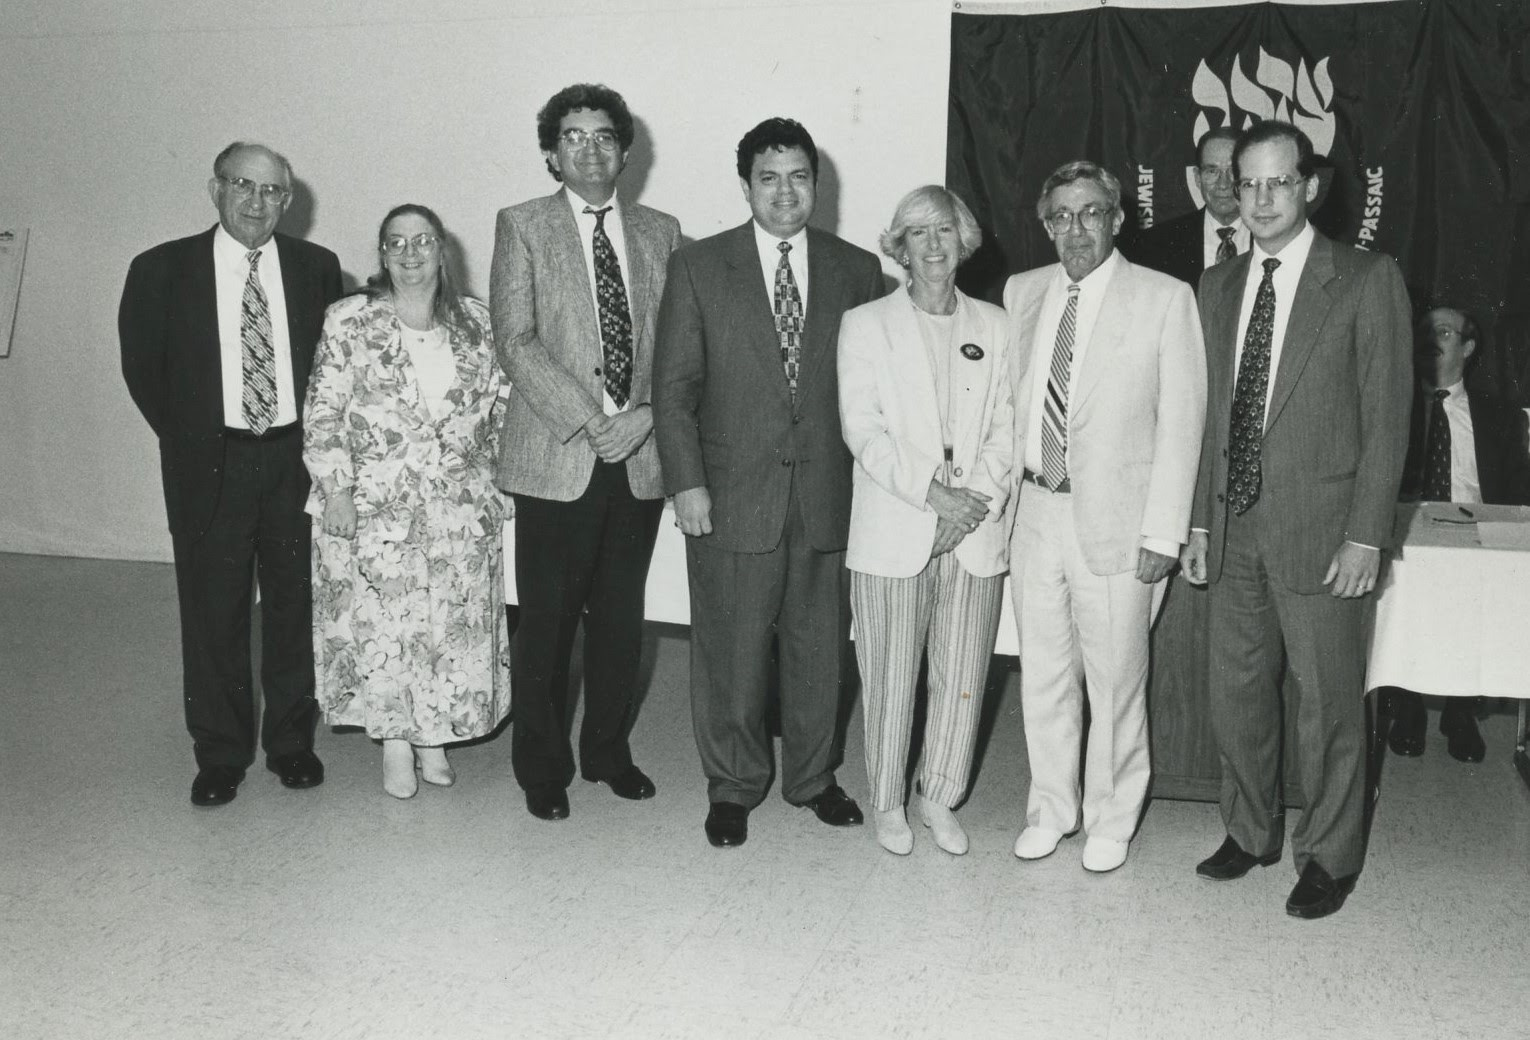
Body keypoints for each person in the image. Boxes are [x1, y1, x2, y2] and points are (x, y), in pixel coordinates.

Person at [1180, 121, 1412, 920]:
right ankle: (1249, 832)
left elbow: (1388, 422)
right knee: (1236, 692)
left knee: (1328, 702)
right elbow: (1215, 416)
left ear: (1311, 187)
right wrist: (1202, 526)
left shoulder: (1364, 277)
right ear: (1231, 193)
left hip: (1325, 533)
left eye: (1281, 182)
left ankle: (1329, 855)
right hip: (1234, 523)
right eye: (1249, 184)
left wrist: (1367, 534)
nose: (1264, 199)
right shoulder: (1216, 286)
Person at [653, 118, 884, 848]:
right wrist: (686, 485)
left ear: (818, 183)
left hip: (826, 500)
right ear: (746, 185)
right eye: (769, 177)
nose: (785, 192)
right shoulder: (698, 267)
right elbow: (673, 391)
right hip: (729, 497)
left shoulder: (856, 270)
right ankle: (733, 785)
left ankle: (813, 778)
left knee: (820, 651)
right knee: (731, 652)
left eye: (799, 177)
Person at [119, 142, 341, 807]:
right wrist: (196, 440)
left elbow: (334, 368)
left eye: (271, 191)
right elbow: (144, 371)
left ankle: (292, 743)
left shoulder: (316, 268)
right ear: (215, 189)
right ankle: (219, 754)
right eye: (242, 185)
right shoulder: (162, 269)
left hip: (294, 460)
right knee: (213, 613)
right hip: (210, 461)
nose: (256, 201)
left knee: (295, 604)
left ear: (289, 199)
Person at [1005, 161, 1206, 873]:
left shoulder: (1164, 298)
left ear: (1118, 219)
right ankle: (1050, 810)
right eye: (1061, 215)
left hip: (1120, 523)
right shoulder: (1022, 293)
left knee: (1116, 681)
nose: (1076, 228)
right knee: (1044, 676)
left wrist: (1164, 533)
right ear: (1046, 223)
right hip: (1034, 510)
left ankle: (1112, 817)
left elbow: (1183, 425)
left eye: (1091, 213)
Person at [490, 84, 682, 821]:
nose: (590, 148)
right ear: (551, 152)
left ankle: (607, 752)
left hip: (637, 456)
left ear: (626, 150)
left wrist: (639, 418)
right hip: (558, 454)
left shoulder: (662, 231)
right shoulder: (523, 225)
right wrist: (589, 417)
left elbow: (677, 348)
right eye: (573, 136)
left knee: (619, 620)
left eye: (604, 136)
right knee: (546, 623)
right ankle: (542, 765)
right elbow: (515, 338)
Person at [303, 204, 511, 799]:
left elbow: (500, 410)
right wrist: (335, 488)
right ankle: (395, 741)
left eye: (422, 241)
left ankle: (434, 736)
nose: (410, 253)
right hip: (373, 504)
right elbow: (323, 412)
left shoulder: (478, 322)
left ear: (443, 249)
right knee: (387, 627)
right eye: (396, 243)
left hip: (457, 506)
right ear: (382, 253)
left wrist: (497, 481)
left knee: (448, 629)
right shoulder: (349, 319)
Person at [838, 186, 1013, 856]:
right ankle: (887, 802)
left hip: (974, 532)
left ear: (963, 239)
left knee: (963, 672)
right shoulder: (865, 324)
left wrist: (970, 502)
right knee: (888, 674)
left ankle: (939, 795)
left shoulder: (996, 325)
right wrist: (935, 496)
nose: (933, 245)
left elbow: (1008, 424)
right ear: (899, 246)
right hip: (895, 527)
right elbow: (864, 430)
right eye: (917, 232)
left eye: (944, 229)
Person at [1382, 304, 1530, 763]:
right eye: (1426, 330)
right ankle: (1408, 703)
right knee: (1409, 579)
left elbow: (1518, 490)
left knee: (1482, 585)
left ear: (1467, 347)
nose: (1432, 339)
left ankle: (1461, 710)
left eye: (1444, 332)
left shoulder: (1499, 415)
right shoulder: (1395, 406)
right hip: (1410, 529)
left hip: (1478, 533)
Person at [1127, 127, 1248, 290]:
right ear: (1197, 178)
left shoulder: (1274, 238)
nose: (1223, 184)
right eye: (1212, 171)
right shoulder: (1157, 244)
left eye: (1233, 171)